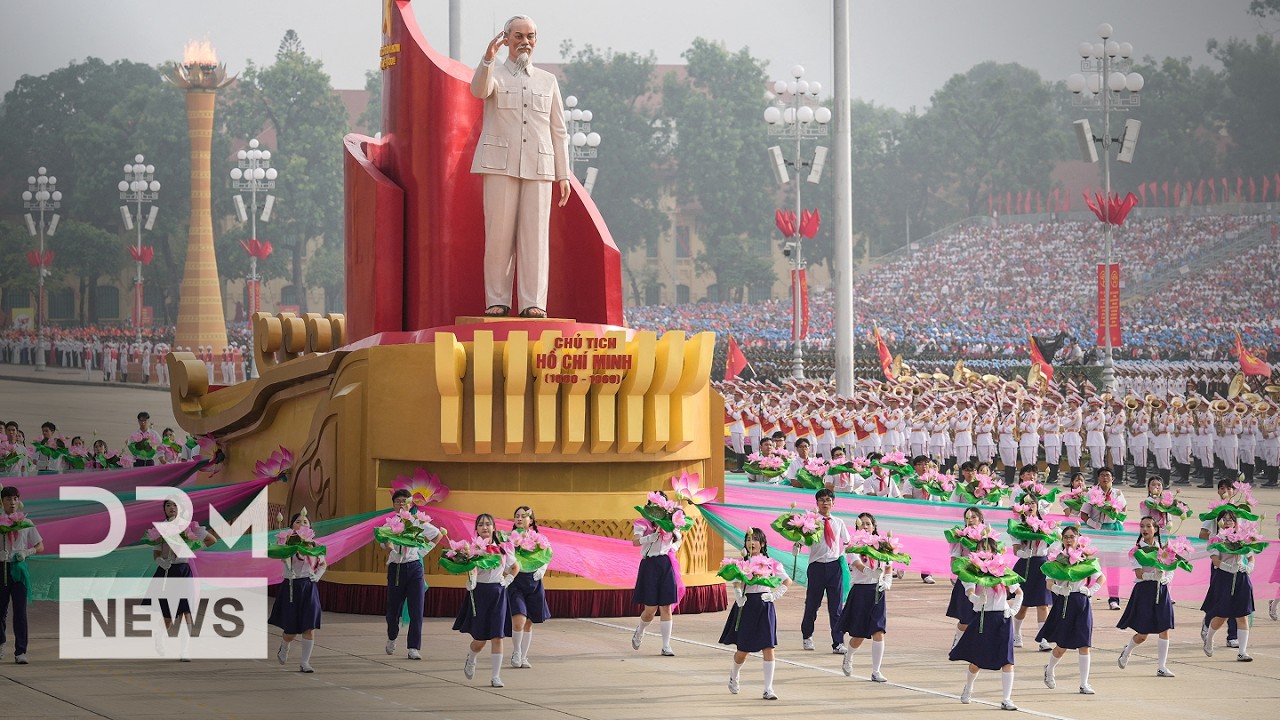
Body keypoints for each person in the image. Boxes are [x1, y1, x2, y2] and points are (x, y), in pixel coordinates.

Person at [470, 14, 571, 319]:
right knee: (498, 236)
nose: (525, 42)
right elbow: (478, 91)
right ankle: (497, 299)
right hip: (499, 165)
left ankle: (533, 302)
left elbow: (559, 130)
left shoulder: (547, 81)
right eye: (518, 36)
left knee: (536, 237)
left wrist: (563, 174)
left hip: (539, 166)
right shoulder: (494, 74)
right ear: (506, 39)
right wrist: (488, 59)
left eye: (530, 36)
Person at [949, 536, 1024, 711]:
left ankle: (1006, 699)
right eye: (980, 549)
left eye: (987, 549)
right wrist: (976, 599)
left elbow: (1019, 592)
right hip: (982, 618)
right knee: (977, 661)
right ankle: (969, 687)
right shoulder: (972, 571)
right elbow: (969, 591)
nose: (983, 552)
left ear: (994, 552)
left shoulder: (1003, 570)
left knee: (1007, 660)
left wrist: (1013, 610)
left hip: (1002, 618)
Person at [720, 528, 791, 701]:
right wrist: (738, 596)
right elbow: (736, 583)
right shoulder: (740, 563)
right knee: (743, 650)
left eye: (755, 540)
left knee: (768, 647)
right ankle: (734, 674)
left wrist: (774, 595)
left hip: (764, 605)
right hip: (746, 605)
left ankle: (768, 689)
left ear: (763, 543)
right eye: (748, 540)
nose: (751, 543)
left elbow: (787, 580)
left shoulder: (770, 563)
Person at [1036, 525, 1103, 695]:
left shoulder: (1085, 557)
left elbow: (1100, 577)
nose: (1068, 540)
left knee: (1084, 645)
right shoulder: (1056, 559)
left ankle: (1084, 683)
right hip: (1064, 602)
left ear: (1078, 538)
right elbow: (1049, 583)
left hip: (1082, 601)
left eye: (1072, 536)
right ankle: (1049, 669)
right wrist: (1059, 589)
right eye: (1066, 537)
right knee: (1062, 645)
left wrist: (1091, 590)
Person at [455, 513, 519, 687]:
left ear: (494, 528)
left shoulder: (503, 548)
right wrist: (472, 580)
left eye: (488, 524)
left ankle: (495, 676)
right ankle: (471, 657)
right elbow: (473, 568)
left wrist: (509, 579)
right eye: (481, 524)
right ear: (476, 529)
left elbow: (515, 566)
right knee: (480, 640)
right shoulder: (472, 549)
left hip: (498, 593)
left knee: (497, 636)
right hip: (479, 593)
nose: (485, 527)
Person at [148, 498, 215, 661]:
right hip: (166, 572)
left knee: (186, 611)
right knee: (168, 616)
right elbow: (156, 553)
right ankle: (159, 636)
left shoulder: (189, 526)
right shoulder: (160, 529)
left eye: (175, 505)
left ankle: (184, 651)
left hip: (183, 571)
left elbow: (212, 540)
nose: (171, 508)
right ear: (164, 509)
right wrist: (160, 561)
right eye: (168, 505)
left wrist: (193, 548)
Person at [382, 489, 443, 661]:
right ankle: (392, 636)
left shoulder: (417, 522)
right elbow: (385, 542)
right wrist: (392, 551)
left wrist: (423, 551)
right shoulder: (389, 524)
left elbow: (438, 535)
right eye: (398, 501)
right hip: (396, 568)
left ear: (410, 504)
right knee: (393, 610)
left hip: (415, 567)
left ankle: (413, 647)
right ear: (393, 505)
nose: (402, 504)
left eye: (405, 501)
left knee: (417, 609)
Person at [1116, 517, 1176, 677]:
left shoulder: (1164, 548)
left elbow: (1171, 566)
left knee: (1164, 628)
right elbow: (1139, 574)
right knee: (1143, 634)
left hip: (1161, 590)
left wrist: (1167, 578)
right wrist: (1152, 575)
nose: (1145, 529)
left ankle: (1161, 666)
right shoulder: (1136, 551)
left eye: (1148, 526)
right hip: (1144, 591)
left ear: (1155, 529)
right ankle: (1127, 651)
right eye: (1142, 526)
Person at [836, 513, 892, 683]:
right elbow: (857, 564)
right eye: (862, 524)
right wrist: (869, 572)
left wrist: (887, 581)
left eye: (868, 524)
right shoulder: (854, 545)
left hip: (877, 591)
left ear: (874, 526)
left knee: (878, 631)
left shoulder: (882, 545)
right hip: (861, 591)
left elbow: (888, 565)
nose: (866, 527)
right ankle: (849, 656)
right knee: (859, 634)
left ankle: (876, 671)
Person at [269, 511, 327, 673]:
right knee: (291, 631)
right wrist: (283, 550)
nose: (302, 524)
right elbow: (279, 556)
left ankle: (305, 662)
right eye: (298, 522)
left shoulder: (315, 545)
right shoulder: (287, 543)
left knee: (309, 627)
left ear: (310, 527)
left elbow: (323, 564)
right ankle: (284, 645)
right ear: (291, 526)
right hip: (291, 586)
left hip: (309, 586)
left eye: (305, 522)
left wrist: (317, 575)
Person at [1201, 509, 1257, 662]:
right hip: (1224, 578)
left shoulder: (1242, 538)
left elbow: (1251, 556)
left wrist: (1249, 567)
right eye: (1224, 520)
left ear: (1235, 522)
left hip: (1241, 577)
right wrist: (1227, 567)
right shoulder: (1216, 539)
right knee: (1222, 615)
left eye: (1230, 519)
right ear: (1219, 522)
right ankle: (1209, 639)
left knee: (1242, 615)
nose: (1227, 522)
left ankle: (1242, 652)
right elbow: (1215, 560)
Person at [800, 488, 851, 654]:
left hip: (834, 566)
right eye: (822, 500)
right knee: (812, 604)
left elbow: (848, 541)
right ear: (817, 503)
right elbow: (801, 539)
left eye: (828, 500)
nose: (825, 503)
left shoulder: (839, 522)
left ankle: (838, 642)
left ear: (833, 503)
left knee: (836, 607)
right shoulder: (811, 522)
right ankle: (807, 635)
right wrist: (797, 543)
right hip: (816, 566)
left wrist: (843, 555)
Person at [631, 493, 682, 656]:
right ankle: (640, 630)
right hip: (650, 565)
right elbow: (635, 541)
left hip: (665, 563)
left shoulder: (670, 523)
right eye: (655, 505)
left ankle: (666, 646)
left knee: (666, 606)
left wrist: (673, 547)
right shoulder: (643, 522)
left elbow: (679, 539)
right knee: (650, 609)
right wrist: (648, 538)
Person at [0, 486, 43, 664]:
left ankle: (21, 651)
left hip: (18, 568)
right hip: (1, 568)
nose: (12, 502)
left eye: (15, 499)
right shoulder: (0, 522)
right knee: (0, 610)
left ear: (19, 501)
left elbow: (40, 545)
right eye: (8, 499)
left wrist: (27, 552)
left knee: (20, 611)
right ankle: (0, 643)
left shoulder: (26, 522)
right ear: (2, 502)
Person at [507, 505, 550, 669]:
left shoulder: (539, 538)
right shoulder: (509, 538)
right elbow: (504, 557)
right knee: (519, 620)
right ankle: (516, 652)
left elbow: (546, 556)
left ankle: (524, 656)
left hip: (534, 581)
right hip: (516, 581)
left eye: (523, 516)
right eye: (517, 515)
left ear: (530, 520)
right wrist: (509, 570)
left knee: (528, 623)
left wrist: (542, 570)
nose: (519, 518)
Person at [1010, 492, 1052, 652]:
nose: (1030, 506)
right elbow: (1016, 549)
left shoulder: (1047, 525)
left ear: (1037, 506)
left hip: (1042, 565)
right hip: (1025, 565)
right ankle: (1016, 634)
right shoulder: (1018, 527)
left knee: (1043, 604)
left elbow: (1054, 542)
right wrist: (1023, 553)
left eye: (1032, 503)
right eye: (1026, 504)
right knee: (1023, 604)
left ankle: (1043, 639)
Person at [1079, 467, 1125, 610]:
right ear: (1098, 478)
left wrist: (1118, 521)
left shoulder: (1117, 493)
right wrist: (1095, 525)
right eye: (1102, 475)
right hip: (1095, 533)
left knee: (1113, 567)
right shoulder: (1091, 493)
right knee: (1093, 565)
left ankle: (1114, 599)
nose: (1105, 478)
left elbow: (1123, 510)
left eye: (1108, 475)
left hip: (1113, 533)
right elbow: (1083, 514)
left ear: (1113, 478)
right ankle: (1088, 594)